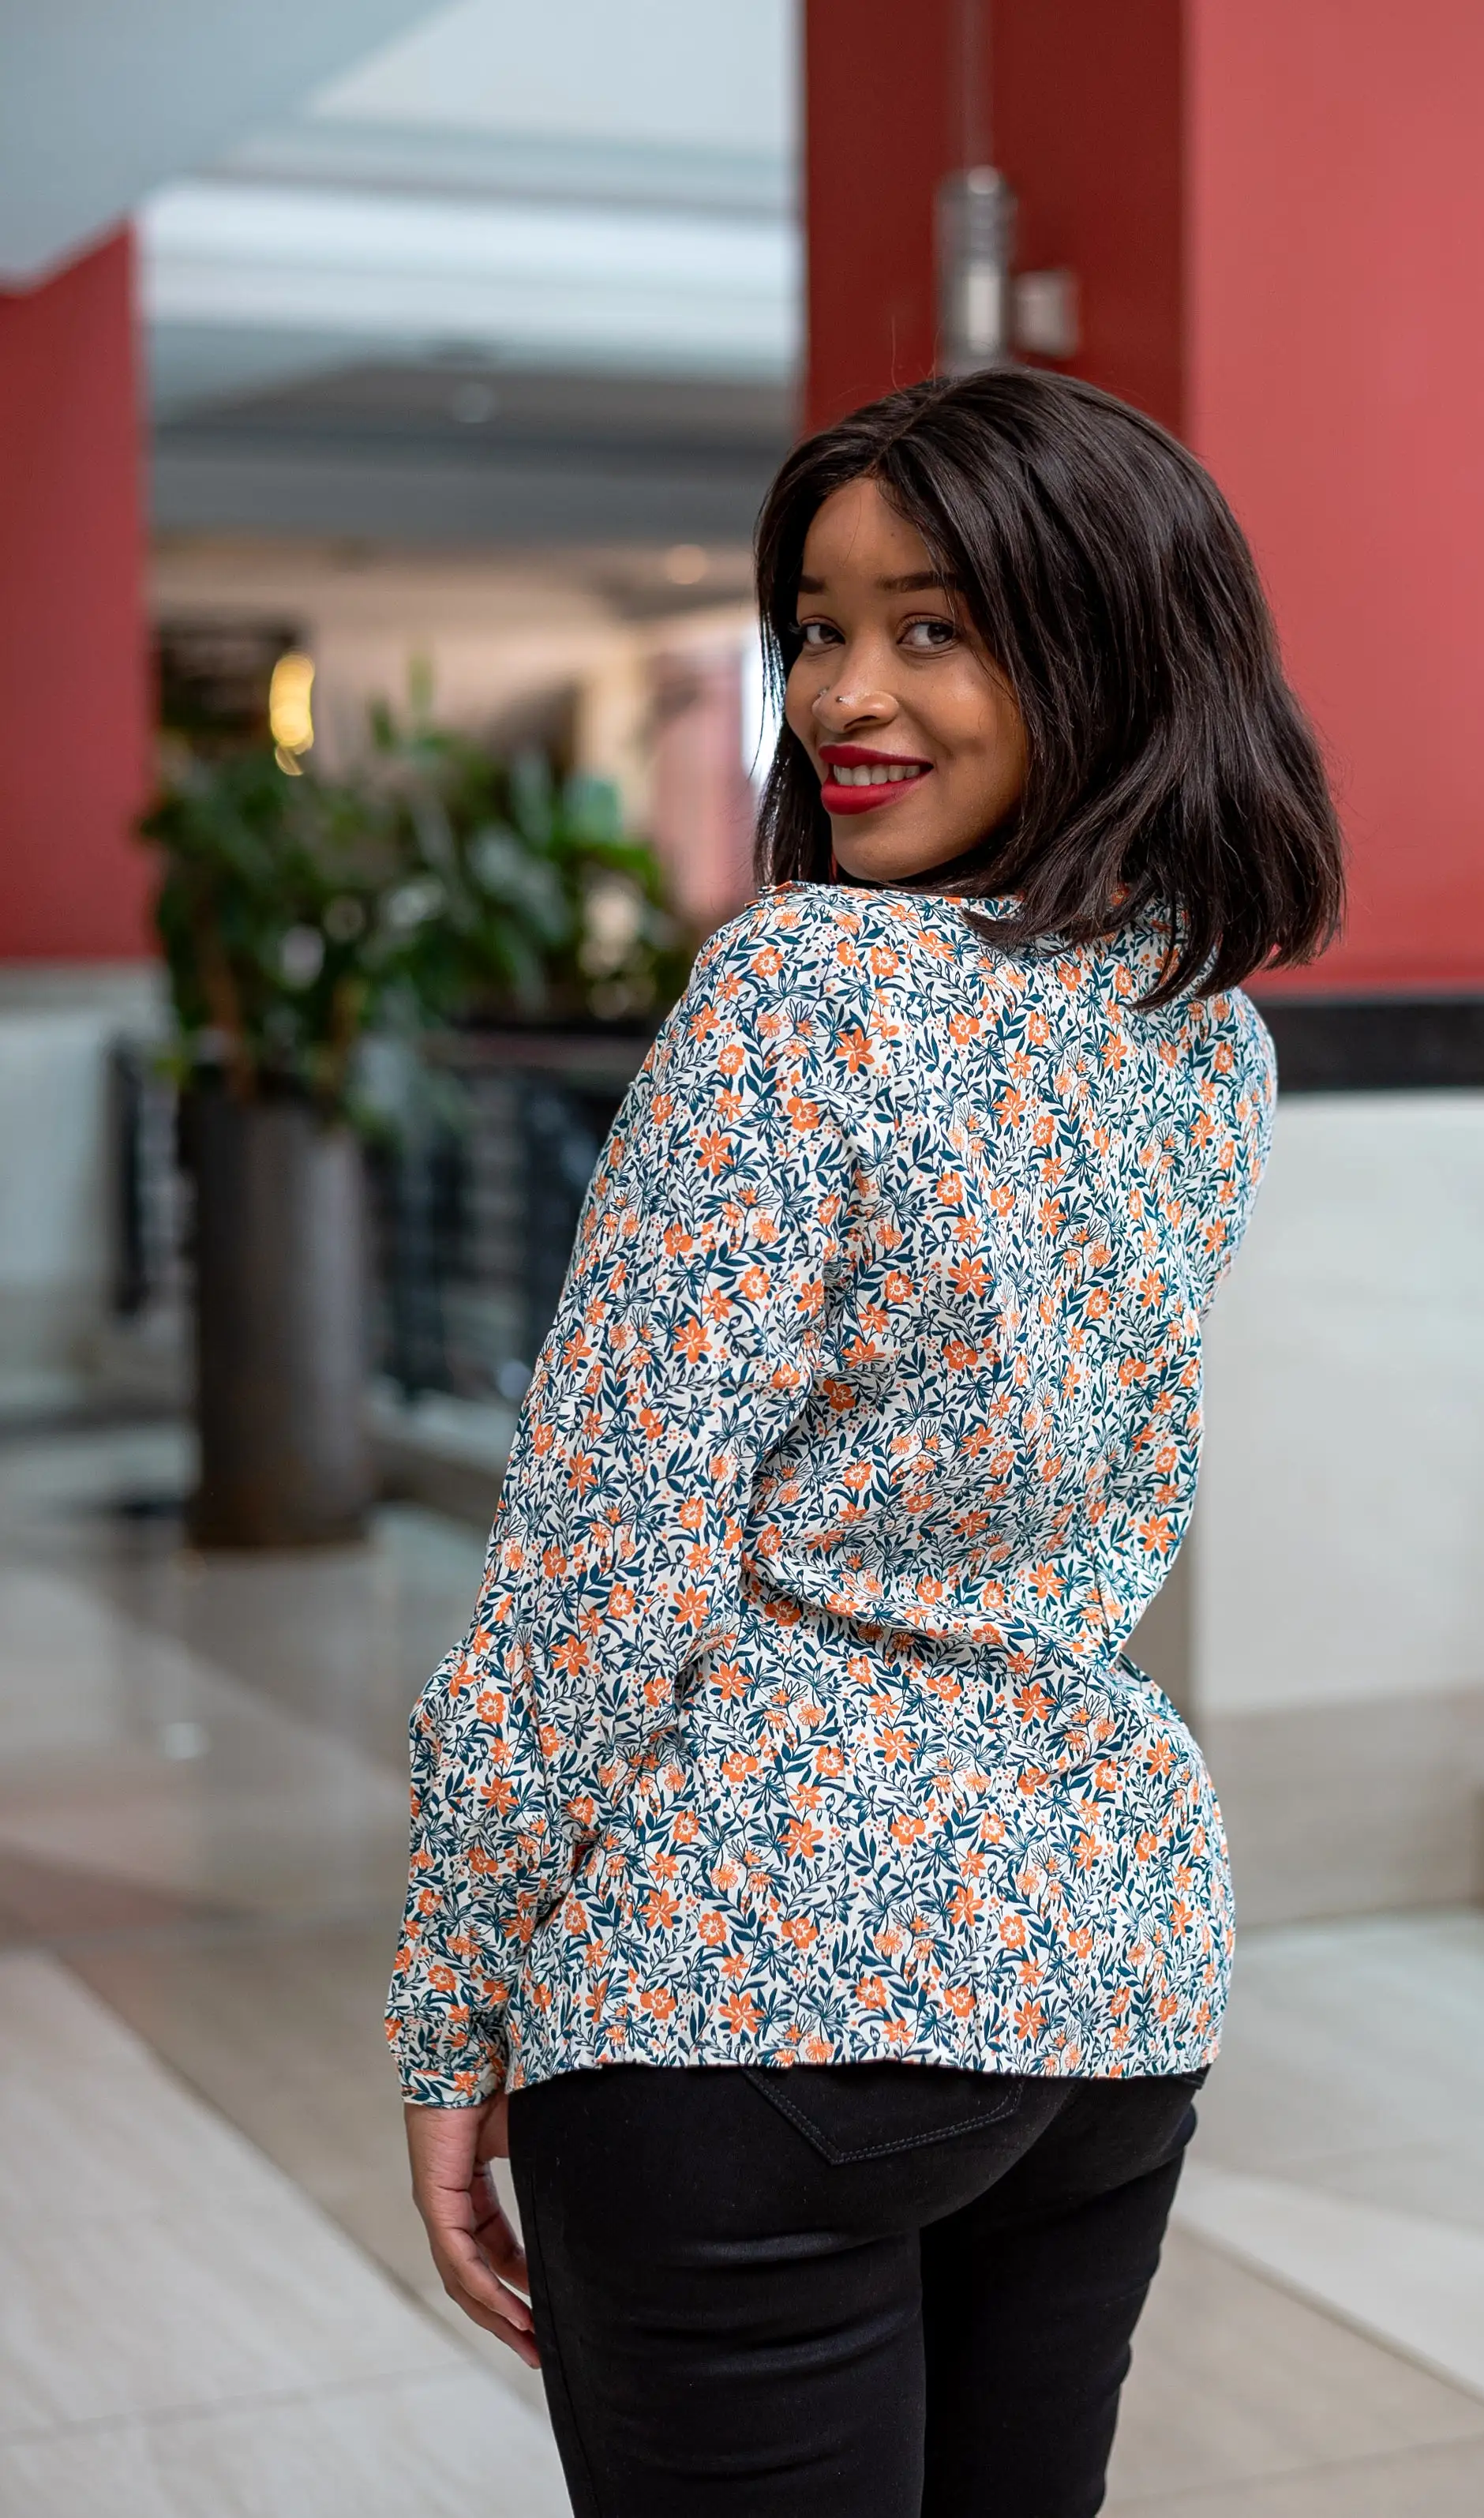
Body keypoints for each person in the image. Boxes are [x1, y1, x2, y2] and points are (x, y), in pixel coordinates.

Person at [389, 368, 1342, 2517]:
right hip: (1104, 1971)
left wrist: (455, 2016)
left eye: (932, 624)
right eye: (816, 626)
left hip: (756, 1980)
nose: (846, 692)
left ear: (1102, 645)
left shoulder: (806, 986)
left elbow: (595, 1563)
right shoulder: (1206, 1031)